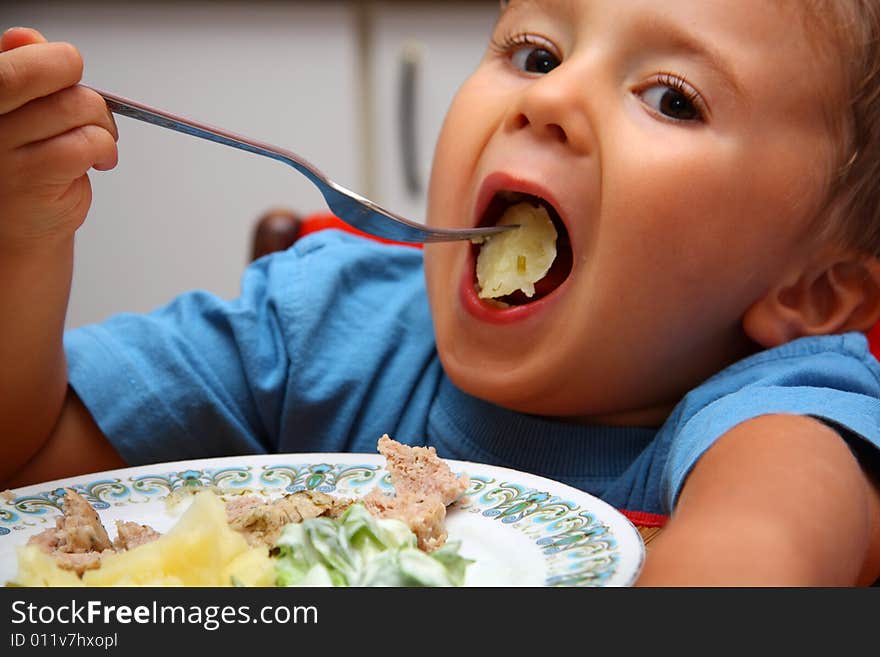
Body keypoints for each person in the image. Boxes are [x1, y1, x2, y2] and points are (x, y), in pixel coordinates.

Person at [1, 0, 879, 586]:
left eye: (672, 100)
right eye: (536, 52)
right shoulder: (320, 325)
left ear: (816, 289)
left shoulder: (784, 413)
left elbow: (758, 561)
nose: (552, 98)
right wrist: (23, 240)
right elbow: (31, 470)